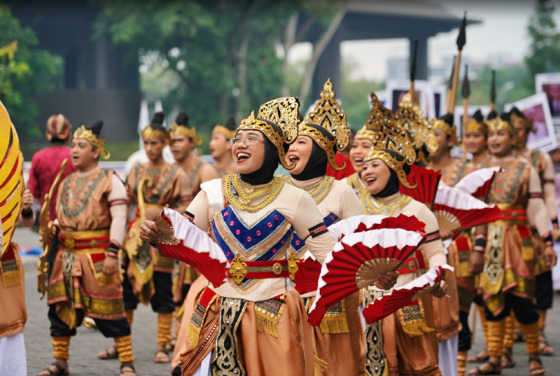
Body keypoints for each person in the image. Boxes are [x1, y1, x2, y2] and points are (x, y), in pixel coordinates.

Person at [141, 97, 337, 376]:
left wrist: (366, 275)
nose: (240, 144)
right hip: (219, 305)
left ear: (273, 150)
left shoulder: (296, 198)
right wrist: (156, 234)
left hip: (273, 309)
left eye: (251, 139)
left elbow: (328, 254)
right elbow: (183, 232)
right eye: (237, 138)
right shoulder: (213, 191)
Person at [357, 92, 448, 376]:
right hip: (362, 299)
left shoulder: (419, 210)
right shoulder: (354, 206)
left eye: (375, 165)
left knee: (416, 367)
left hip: (408, 295)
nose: (365, 170)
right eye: (364, 166)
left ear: (395, 171)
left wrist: (437, 276)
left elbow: (435, 253)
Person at [40, 121, 136, 376]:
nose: (74, 149)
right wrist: (54, 227)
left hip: (98, 256)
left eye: (81, 145)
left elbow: (119, 217)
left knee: (111, 308)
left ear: (96, 151)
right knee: (58, 310)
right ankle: (60, 362)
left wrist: (113, 251)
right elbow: (66, 215)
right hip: (66, 256)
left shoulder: (110, 180)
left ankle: (126, 361)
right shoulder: (66, 181)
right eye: (73, 144)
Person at [284, 79, 365, 376]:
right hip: (281, 294)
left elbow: (358, 248)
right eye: (290, 142)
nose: (291, 147)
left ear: (320, 151)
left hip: (328, 295)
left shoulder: (342, 192)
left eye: (300, 142)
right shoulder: (275, 189)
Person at [468, 112, 557, 376]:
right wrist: (476, 246)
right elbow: (474, 210)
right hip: (487, 239)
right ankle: (495, 358)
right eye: (492, 133)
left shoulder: (526, 167)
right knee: (491, 298)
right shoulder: (478, 171)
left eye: (501, 133)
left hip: (519, 239)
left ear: (513, 137)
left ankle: (533, 356)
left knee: (523, 299)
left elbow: (537, 205)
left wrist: (548, 240)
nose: (495, 138)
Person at [120, 111, 191, 364]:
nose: (149, 148)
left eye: (155, 143)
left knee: (163, 292)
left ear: (165, 144)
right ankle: (123, 347)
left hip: (162, 238)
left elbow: (187, 206)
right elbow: (124, 204)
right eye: (146, 142)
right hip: (135, 239)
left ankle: (162, 345)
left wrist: (163, 216)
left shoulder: (176, 173)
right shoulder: (136, 170)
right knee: (127, 292)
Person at [428, 113, 487, 376]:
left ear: (450, 139)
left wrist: (479, 248)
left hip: (460, 246)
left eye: (436, 134)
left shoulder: (469, 170)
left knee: (459, 312)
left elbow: (480, 212)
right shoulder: (415, 170)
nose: (430, 139)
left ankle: (459, 370)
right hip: (427, 249)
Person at [510, 107, 557, 357]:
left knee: (540, 278)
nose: (517, 134)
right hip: (508, 231)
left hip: (534, 230)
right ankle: (512, 333)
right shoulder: (496, 160)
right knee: (510, 280)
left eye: (521, 129)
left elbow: (547, 196)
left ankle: (538, 330)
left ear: (528, 131)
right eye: (513, 130)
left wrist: (554, 223)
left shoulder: (540, 159)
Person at [0, 187, 35, 376]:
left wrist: (26, 208)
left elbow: (26, 222)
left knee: (10, 325)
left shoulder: (10, 166)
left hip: (5, 261)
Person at [28, 114, 77, 222]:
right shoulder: (75, 155)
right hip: (72, 219)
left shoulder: (38, 157)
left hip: (46, 220)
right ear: (67, 133)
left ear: (47, 133)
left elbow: (34, 192)